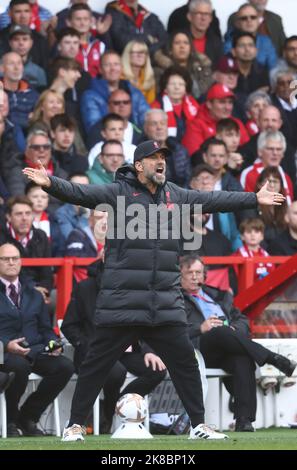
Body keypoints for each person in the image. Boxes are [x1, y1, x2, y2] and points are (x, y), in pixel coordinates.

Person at [23, 139, 285, 441]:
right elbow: (81, 193)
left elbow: (215, 199)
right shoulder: (118, 192)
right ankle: (75, 426)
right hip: (122, 303)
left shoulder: (176, 194)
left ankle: (198, 425)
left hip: (163, 303)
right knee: (96, 365)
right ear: (138, 165)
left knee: (185, 363)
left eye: (163, 156)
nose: (161, 161)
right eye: (153, 157)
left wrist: (253, 197)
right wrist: (50, 183)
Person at [181, 254, 296, 432]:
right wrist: (200, 327)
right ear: (180, 275)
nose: (195, 276)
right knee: (219, 330)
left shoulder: (218, 296)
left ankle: (244, 420)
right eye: (190, 272)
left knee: (241, 357)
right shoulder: (176, 300)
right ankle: (273, 359)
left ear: (205, 275)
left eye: (199, 272)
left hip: (227, 345)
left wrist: (235, 330)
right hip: (200, 350)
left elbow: (241, 320)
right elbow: (173, 331)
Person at [62, 260, 167, 433]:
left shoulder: (134, 286)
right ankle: (108, 415)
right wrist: (86, 345)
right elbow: (69, 326)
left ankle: (114, 405)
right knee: (116, 372)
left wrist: (149, 350)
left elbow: (144, 323)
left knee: (157, 370)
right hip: (95, 351)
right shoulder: (85, 288)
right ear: (104, 256)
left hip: (126, 350)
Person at [0, 242, 74, 437]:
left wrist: (54, 343)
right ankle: (9, 421)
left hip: (35, 351)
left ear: (20, 262)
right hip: (5, 353)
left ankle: (28, 416)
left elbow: (45, 329)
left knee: (65, 367)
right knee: (19, 366)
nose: (10, 262)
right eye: (5, 259)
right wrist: (7, 345)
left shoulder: (34, 294)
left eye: (14, 258)